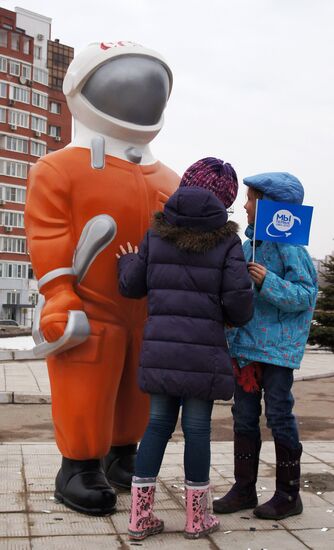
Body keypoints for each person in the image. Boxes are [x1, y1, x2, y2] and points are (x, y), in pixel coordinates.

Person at [24, 41, 179, 516]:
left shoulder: (170, 180)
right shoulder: (60, 168)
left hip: (147, 307)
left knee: (138, 389)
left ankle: (122, 456)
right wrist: (58, 291)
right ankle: (79, 467)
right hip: (90, 303)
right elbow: (49, 232)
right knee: (86, 384)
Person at [116, 157, 254, 540]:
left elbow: (132, 285)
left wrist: (127, 260)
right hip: (203, 354)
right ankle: (197, 520)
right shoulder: (228, 240)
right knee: (197, 431)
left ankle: (139, 518)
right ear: (223, 199)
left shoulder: (156, 232)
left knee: (157, 426)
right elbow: (241, 307)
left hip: (161, 349)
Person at [213, 172, 318, 520]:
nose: (244, 206)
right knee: (243, 416)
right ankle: (244, 489)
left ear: (272, 206)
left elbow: (305, 296)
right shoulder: (248, 247)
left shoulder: (292, 250)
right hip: (245, 348)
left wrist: (268, 281)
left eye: (251, 199)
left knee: (278, 415)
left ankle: (289, 494)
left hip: (276, 351)